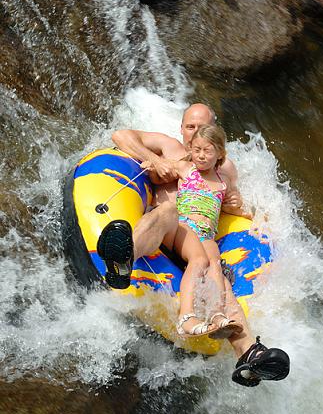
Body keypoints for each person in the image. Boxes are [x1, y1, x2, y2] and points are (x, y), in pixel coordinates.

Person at [97, 103, 290, 386]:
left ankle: (248, 353)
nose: (195, 135)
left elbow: (228, 203)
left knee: (219, 274)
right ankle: (122, 259)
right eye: (190, 127)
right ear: (181, 127)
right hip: (167, 232)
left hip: (199, 239)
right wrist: (155, 160)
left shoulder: (223, 169)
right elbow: (121, 136)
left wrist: (242, 208)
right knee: (167, 211)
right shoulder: (171, 149)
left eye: (202, 128)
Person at [142, 124, 248, 338]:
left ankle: (217, 315)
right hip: (184, 226)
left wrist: (238, 208)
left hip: (206, 234)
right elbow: (158, 166)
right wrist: (153, 166)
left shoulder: (224, 182)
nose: (201, 156)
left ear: (219, 153)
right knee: (199, 261)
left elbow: (235, 207)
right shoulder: (187, 169)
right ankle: (186, 314)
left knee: (215, 265)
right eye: (197, 150)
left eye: (207, 151)